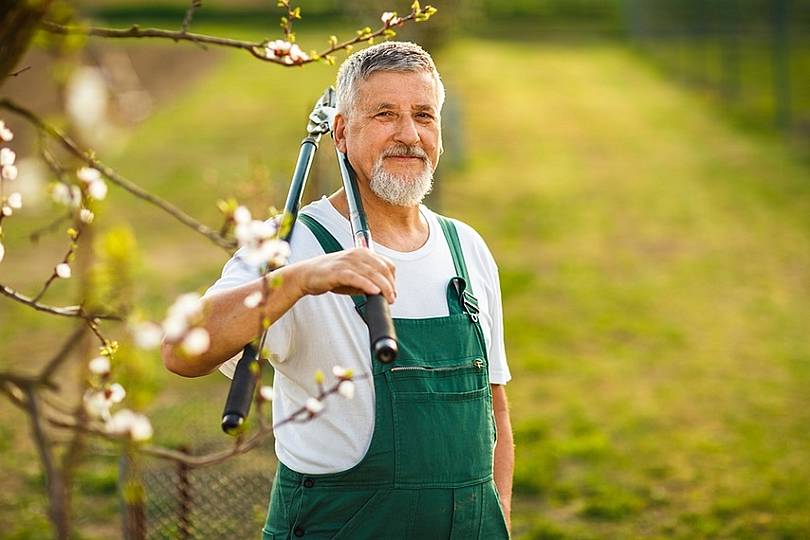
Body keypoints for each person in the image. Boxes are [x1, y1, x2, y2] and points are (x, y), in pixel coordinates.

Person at [162, 41, 514, 539]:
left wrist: (499, 513)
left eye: (423, 115)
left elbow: (495, 408)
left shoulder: (467, 248)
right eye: (385, 114)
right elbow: (180, 350)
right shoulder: (290, 244)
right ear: (342, 133)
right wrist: (299, 280)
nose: (409, 135)